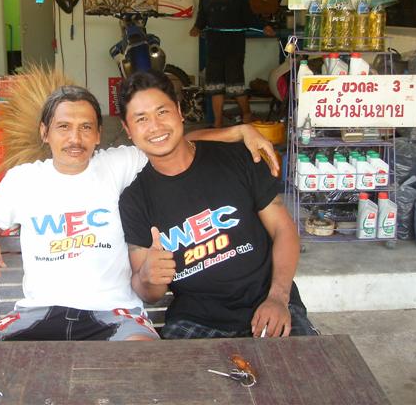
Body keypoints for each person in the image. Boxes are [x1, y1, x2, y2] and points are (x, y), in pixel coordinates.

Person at [0, 68, 278, 342]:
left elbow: (170, 140)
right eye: (63, 127)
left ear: (98, 135)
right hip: (39, 313)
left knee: (144, 365)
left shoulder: (118, 164)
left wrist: (238, 131)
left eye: (86, 127)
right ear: (44, 132)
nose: (75, 138)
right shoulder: (23, 180)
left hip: (114, 314)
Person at [118, 70, 317, 339]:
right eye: (141, 119)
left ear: (179, 112)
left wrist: (278, 297)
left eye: (162, 112)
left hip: (268, 302)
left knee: (308, 365)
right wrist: (147, 276)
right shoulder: (134, 200)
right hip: (195, 320)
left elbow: (283, 229)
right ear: (128, 130)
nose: (155, 126)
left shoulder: (238, 158)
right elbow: (148, 293)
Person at [190, 0, 276, 127]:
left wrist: (263, 26)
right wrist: (197, 27)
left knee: (235, 82)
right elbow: (202, 15)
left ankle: (247, 114)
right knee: (215, 84)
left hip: (234, 44)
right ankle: (218, 123)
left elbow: (248, 16)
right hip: (214, 44)